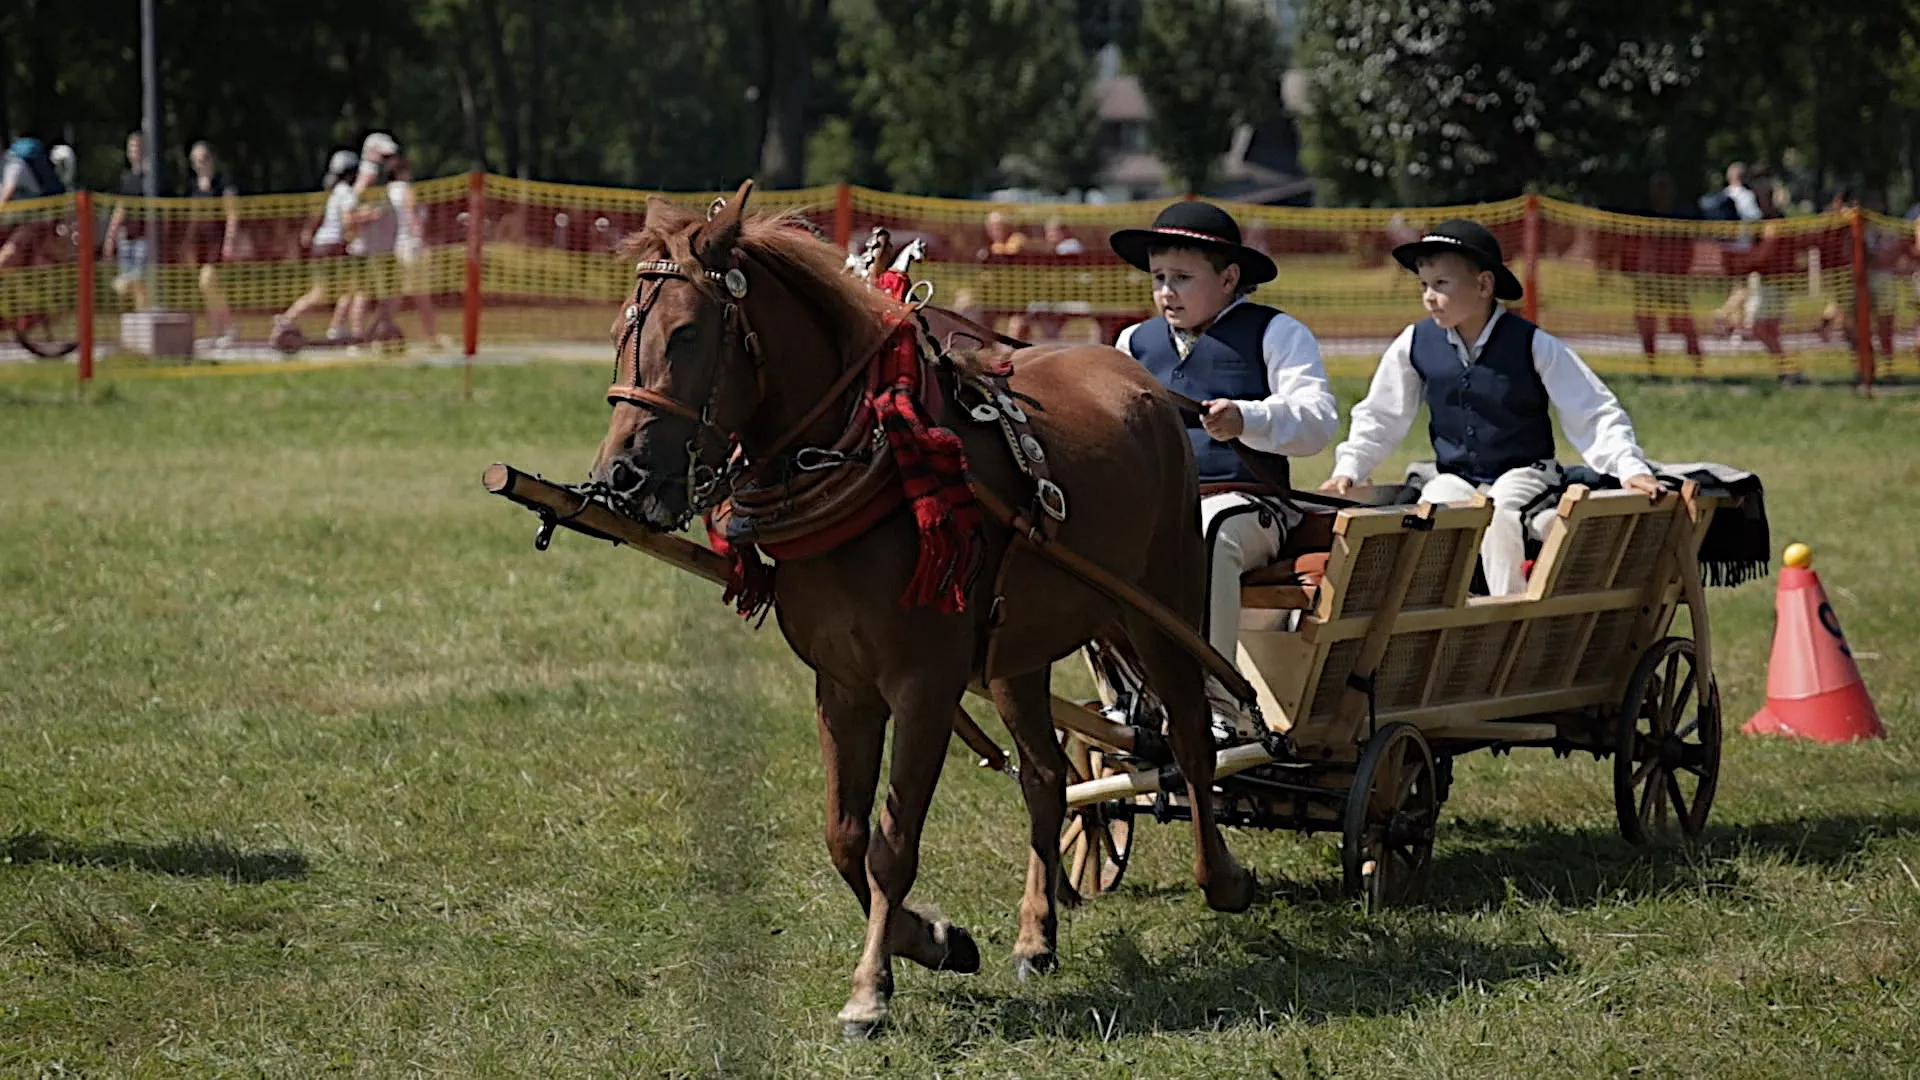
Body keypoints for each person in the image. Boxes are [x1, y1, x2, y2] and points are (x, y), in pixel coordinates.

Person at [1320, 218, 1660, 597]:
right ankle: (1431, 616)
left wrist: (1629, 468)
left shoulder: (1532, 343)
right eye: (1424, 285)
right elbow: (1381, 415)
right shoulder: (1414, 342)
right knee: (1429, 513)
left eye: (1441, 284)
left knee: (1498, 513)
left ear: (1483, 285)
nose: (1429, 296)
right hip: (1456, 474)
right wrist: (1349, 469)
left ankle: (1508, 614)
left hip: (1526, 472)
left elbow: (1592, 410)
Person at [1110, 201, 1338, 741]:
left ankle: (1217, 706)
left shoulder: (1277, 333)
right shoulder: (1130, 344)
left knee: (1211, 531)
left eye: (1183, 278)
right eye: (1159, 277)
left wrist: (1248, 418)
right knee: (1096, 543)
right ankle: (1130, 698)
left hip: (1254, 506)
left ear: (1230, 277)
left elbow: (1318, 422)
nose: (1166, 291)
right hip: (1159, 506)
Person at [274, 150, 361, 345]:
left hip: (322, 246)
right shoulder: (347, 193)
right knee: (340, 290)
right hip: (333, 247)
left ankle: (333, 325)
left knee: (338, 289)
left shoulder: (333, 193)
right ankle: (290, 319)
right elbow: (348, 221)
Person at [1632, 172, 1705, 377]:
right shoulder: (1646, 215)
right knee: (1646, 324)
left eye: (1664, 188)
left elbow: (1687, 249)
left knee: (1682, 323)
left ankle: (1698, 365)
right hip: (1649, 280)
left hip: (1673, 280)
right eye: (1657, 188)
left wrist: (1683, 271)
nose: (1660, 193)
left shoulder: (1680, 216)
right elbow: (1643, 248)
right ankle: (1652, 367)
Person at [386, 155, 447, 348]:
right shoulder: (406, 191)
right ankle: (432, 336)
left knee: (397, 295)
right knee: (421, 295)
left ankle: (382, 331)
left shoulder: (385, 192)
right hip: (411, 245)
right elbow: (412, 217)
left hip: (394, 247)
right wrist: (421, 240)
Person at [347, 133, 401, 348]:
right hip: (370, 248)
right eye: (384, 156)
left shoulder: (378, 177)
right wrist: (369, 215)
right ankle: (359, 337)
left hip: (381, 247)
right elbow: (350, 212)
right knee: (365, 294)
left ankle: (375, 334)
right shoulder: (369, 174)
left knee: (387, 295)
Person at [184, 140, 240, 345]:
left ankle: (229, 326)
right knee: (208, 288)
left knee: (208, 281)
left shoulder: (223, 182)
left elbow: (232, 213)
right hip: (200, 243)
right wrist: (188, 245)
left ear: (212, 159)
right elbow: (192, 217)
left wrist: (230, 241)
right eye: (197, 161)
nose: (201, 164)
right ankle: (217, 330)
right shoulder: (193, 187)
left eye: (204, 159)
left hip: (218, 240)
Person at [103, 131, 157, 311]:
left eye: (139, 147)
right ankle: (136, 314)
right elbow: (121, 208)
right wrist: (111, 236)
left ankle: (143, 314)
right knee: (127, 284)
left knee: (139, 279)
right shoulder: (126, 178)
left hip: (145, 237)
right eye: (132, 148)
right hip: (127, 237)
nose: (135, 151)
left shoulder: (152, 178)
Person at [0, 133, 67, 271]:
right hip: (13, 225)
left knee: (7, 259)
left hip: (33, 223)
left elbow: (6, 196)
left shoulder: (13, 164)